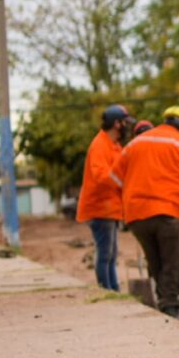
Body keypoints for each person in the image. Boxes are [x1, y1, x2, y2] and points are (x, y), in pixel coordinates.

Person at [111, 105, 179, 319]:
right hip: (170, 213)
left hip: (137, 217)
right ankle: (170, 307)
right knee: (173, 262)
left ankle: (164, 301)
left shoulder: (134, 145)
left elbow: (114, 179)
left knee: (156, 261)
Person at [76, 104, 133, 291]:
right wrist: (122, 183)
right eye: (124, 122)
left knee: (112, 253)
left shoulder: (114, 146)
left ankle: (114, 289)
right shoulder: (99, 145)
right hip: (100, 208)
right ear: (116, 124)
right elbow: (102, 176)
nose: (126, 126)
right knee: (105, 253)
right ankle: (106, 289)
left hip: (111, 208)